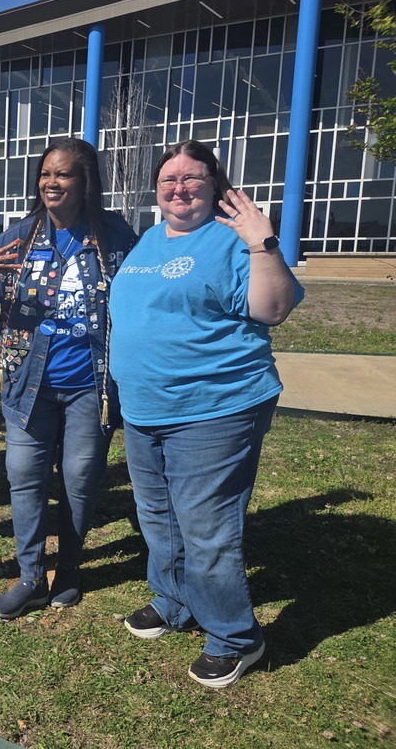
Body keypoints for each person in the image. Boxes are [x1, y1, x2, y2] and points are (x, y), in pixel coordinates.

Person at [108, 139, 303, 689]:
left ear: (216, 186)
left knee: (205, 524)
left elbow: (274, 308)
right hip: (146, 408)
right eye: (168, 179)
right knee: (158, 515)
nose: (179, 187)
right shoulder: (148, 240)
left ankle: (236, 636)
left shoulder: (233, 239)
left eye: (192, 177)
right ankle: (174, 600)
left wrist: (263, 243)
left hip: (215, 407)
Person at [0, 138, 136, 619]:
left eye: (63, 175)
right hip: (26, 384)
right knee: (25, 477)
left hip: (89, 385)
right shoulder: (19, 235)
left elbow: (139, 299)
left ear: (85, 182)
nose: (51, 183)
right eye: (45, 175)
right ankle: (31, 577)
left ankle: (71, 571)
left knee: (79, 478)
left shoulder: (114, 236)